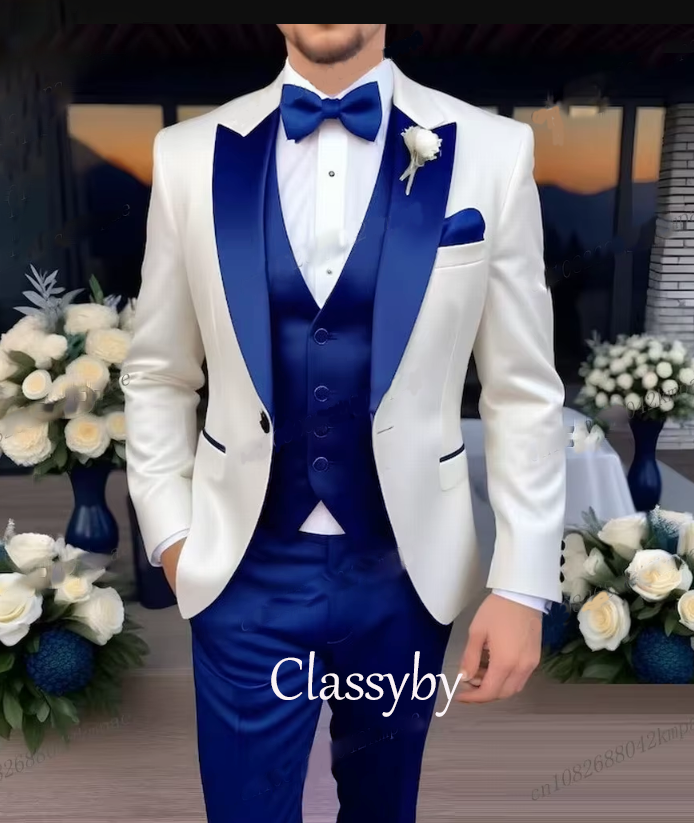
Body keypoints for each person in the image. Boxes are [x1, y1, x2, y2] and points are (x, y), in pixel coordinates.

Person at [122, 23, 566, 822]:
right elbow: (158, 370)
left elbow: (522, 388)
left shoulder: (494, 151)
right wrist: (174, 537)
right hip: (240, 568)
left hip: (405, 573)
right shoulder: (187, 155)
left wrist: (524, 580)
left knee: (382, 806)